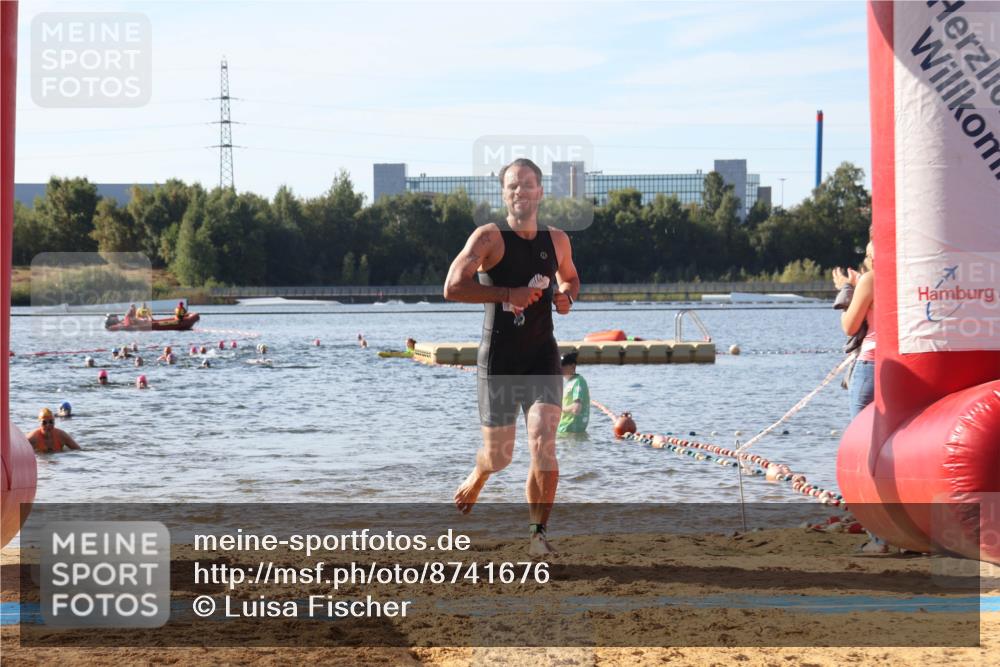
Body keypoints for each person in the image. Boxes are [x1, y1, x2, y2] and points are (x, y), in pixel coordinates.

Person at [443, 158, 580, 556]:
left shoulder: (557, 241)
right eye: (512, 186)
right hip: (499, 361)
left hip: (541, 356)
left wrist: (566, 296)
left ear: (540, 192)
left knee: (543, 441)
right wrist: (507, 294)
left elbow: (570, 277)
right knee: (499, 457)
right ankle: (481, 472)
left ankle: (538, 535)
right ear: (504, 194)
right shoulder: (488, 238)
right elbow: (452, 287)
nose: (520, 192)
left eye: (528, 185)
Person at [833, 240, 875, 418]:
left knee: (861, 428)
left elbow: (850, 326)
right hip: (905, 361)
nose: (866, 259)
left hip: (872, 363)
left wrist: (847, 289)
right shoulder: (911, 274)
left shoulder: (872, 279)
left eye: (867, 255)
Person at [557, 352, 590, 434]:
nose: (560, 368)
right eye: (559, 366)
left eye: (563, 366)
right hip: (564, 429)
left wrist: (560, 408)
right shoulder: (570, 382)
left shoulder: (578, 382)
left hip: (571, 430)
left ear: (573, 366)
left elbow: (576, 408)